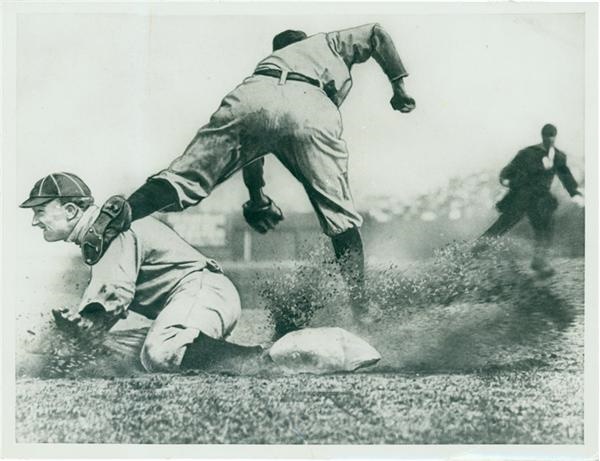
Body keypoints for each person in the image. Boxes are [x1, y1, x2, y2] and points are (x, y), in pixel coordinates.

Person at [79, 23, 416, 322]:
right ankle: (363, 309)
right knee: (340, 217)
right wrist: (399, 87)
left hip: (251, 97)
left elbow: (252, 155)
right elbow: (377, 33)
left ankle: (122, 212)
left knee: (184, 178)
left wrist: (257, 198)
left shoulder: (272, 63)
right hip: (310, 99)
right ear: (303, 42)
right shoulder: (325, 43)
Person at [20, 172, 263, 373]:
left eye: (40, 211)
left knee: (161, 352)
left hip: (202, 291)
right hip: (193, 302)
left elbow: (114, 297)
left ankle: (263, 360)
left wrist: (80, 328)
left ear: (71, 210)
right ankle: (203, 348)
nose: (34, 221)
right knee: (110, 353)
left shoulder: (108, 229)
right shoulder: (101, 231)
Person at [480, 124, 585, 277]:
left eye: (552, 136)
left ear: (555, 137)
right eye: (547, 135)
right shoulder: (527, 153)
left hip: (541, 200)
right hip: (521, 197)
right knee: (501, 226)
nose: (549, 139)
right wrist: (508, 182)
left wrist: (575, 193)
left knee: (545, 227)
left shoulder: (559, 156)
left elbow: (565, 176)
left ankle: (539, 261)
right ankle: (471, 254)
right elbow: (506, 172)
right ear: (542, 136)